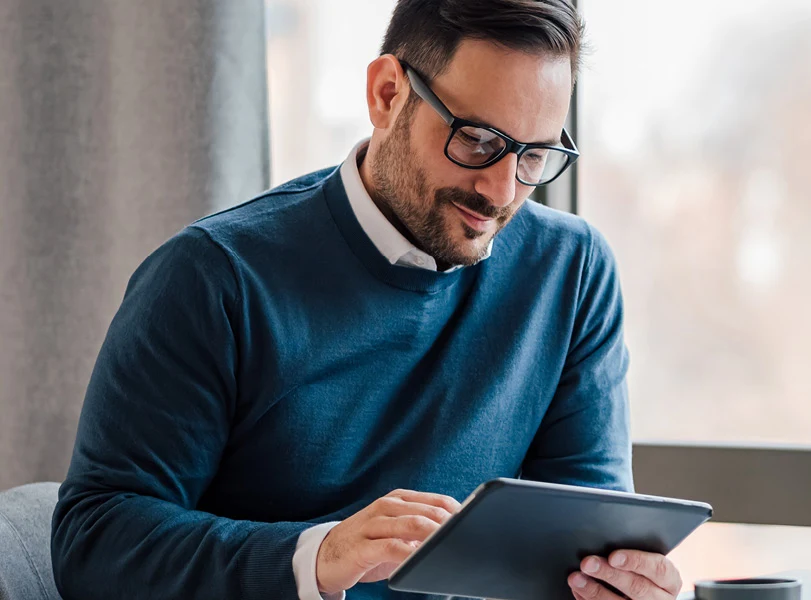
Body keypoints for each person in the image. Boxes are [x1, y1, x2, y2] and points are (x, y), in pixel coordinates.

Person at [50, 1, 684, 599]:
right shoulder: (213, 277)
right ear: (388, 94)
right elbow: (94, 540)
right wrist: (317, 556)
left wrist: (617, 579)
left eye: (535, 155)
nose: (501, 189)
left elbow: (584, 544)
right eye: (478, 141)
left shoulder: (572, 273)